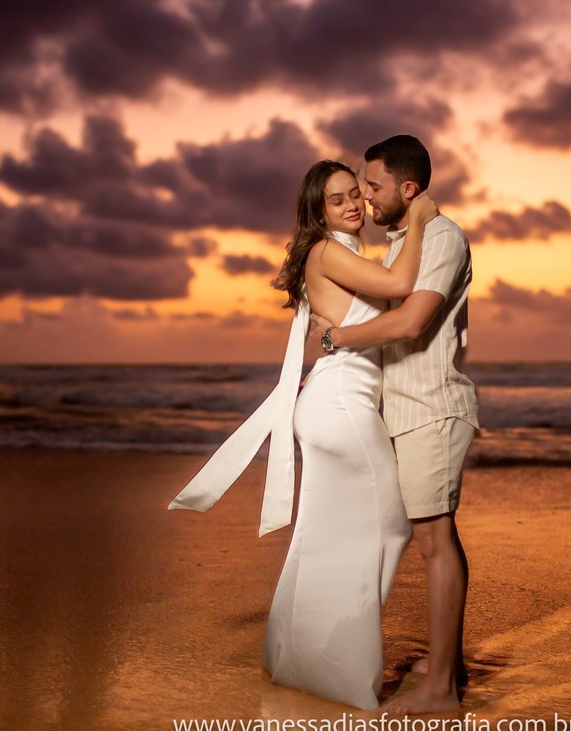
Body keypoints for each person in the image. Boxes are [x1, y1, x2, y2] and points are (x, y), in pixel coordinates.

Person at [168, 159, 438, 710]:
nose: (352, 205)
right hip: (340, 405)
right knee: (390, 525)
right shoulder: (327, 251)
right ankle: (337, 666)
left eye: (354, 195)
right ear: (318, 213)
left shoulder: (342, 255)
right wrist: (422, 220)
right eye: (336, 200)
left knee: (326, 533)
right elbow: (401, 284)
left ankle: (301, 658)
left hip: (334, 403)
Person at [309, 135, 479, 715]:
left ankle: (442, 691)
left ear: (408, 188)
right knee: (429, 539)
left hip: (431, 406)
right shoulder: (405, 239)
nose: (365, 198)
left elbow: (409, 322)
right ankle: (446, 663)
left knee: (435, 540)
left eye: (373, 186)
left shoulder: (440, 235)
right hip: (402, 408)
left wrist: (337, 340)